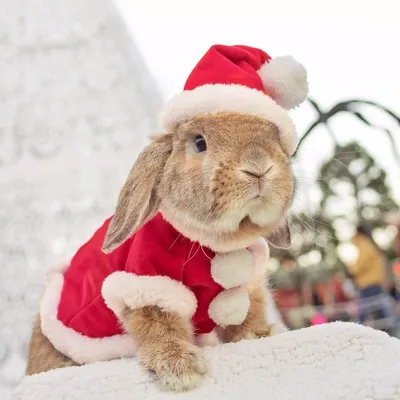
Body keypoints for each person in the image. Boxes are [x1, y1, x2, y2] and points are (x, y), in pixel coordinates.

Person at [347, 225, 394, 327]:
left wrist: (351, 269)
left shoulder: (364, 245)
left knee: (364, 312)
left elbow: (361, 265)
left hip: (368, 284)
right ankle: (393, 329)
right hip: (373, 283)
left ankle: (355, 330)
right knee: (380, 309)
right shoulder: (369, 244)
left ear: (358, 232)